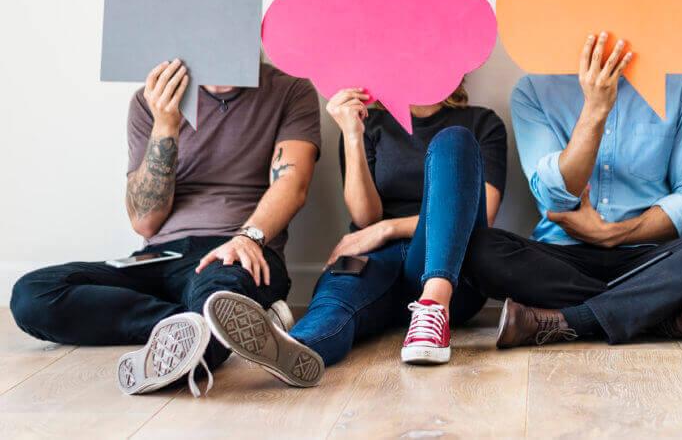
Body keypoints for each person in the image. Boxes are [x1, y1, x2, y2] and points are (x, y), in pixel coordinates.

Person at [10, 57, 321, 396]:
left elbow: (292, 184)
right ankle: (223, 327)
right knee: (33, 294)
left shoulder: (290, 89)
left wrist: (248, 237)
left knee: (216, 295)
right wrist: (165, 125)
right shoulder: (150, 100)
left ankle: (199, 333)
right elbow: (145, 221)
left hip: (237, 250)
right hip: (163, 256)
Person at [465, 32, 682, 348]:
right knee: (478, 248)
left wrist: (617, 233)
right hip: (562, 257)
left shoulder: (681, 90)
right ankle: (658, 313)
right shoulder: (534, 90)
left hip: (650, 257)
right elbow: (553, 196)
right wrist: (595, 108)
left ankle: (571, 320)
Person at [203, 80, 507, 386]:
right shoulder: (372, 123)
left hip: (445, 269)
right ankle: (293, 347)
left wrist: (387, 228)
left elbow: (484, 212)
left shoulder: (482, 123)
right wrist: (352, 135)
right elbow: (365, 216)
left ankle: (431, 312)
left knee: (454, 141)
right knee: (336, 296)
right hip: (377, 258)